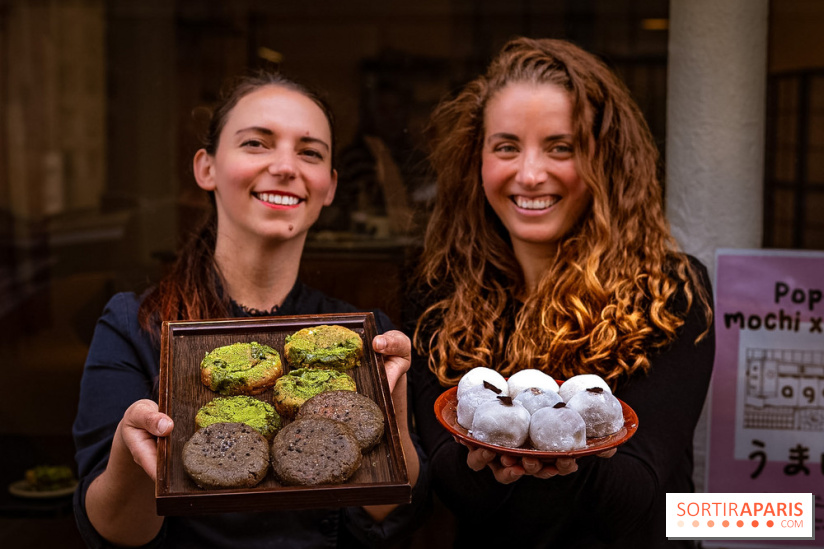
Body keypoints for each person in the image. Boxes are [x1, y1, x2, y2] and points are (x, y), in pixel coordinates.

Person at [73, 72, 427, 549]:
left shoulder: (363, 335)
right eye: (257, 143)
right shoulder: (133, 324)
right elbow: (113, 529)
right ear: (207, 168)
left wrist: (393, 417)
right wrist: (129, 453)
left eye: (310, 152)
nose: (285, 166)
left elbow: (390, 507)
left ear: (329, 187)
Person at [408, 37, 714, 548]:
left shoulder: (671, 290)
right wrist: (497, 461)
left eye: (561, 147)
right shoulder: (439, 291)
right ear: (475, 159)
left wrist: (551, 449)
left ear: (605, 161)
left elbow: (634, 494)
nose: (529, 174)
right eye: (506, 146)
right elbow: (453, 484)